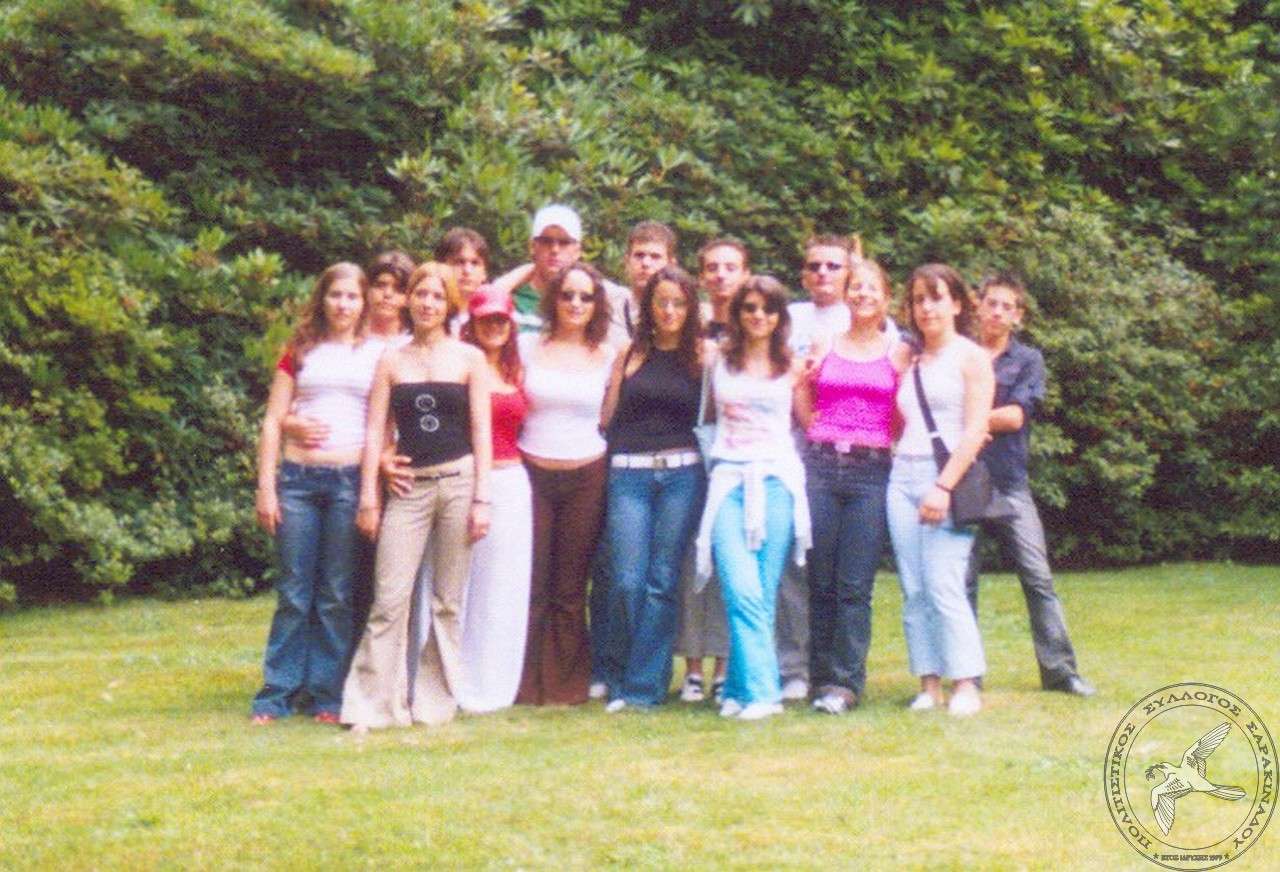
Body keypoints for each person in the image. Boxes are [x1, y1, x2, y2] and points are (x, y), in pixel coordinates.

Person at [341, 262, 492, 730]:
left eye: (437, 296)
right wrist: (369, 495)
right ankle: (373, 705)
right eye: (421, 294)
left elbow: (481, 431)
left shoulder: (470, 359)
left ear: (450, 303)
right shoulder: (392, 360)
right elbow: (375, 430)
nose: (428, 303)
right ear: (409, 299)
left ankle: (434, 703)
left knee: (447, 603)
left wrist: (482, 499)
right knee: (389, 600)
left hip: (458, 482)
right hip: (408, 489)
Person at [251, 262, 379, 725]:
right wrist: (266, 487)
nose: (343, 304)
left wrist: (370, 490)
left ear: (363, 303)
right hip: (298, 482)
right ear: (322, 298)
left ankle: (326, 694)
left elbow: (378, 424)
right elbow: (272, 419)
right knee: (294, 592)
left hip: (347, 480)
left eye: (352, 296)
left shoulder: (376, 354)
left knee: (336, 594)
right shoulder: (300, 349)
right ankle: (276, 694)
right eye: (335, 295)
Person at [966, 274, 1095, 697]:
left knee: (1038, 578)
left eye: (1007, 306)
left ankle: (1061, 672)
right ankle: (966, 674)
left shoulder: (1028, 360)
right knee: (962, 582)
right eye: (991, 303)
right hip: (963, 478)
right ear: (978, 306)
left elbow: (1015, 417)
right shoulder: (960, 353)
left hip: (1009, 483)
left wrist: (966, 421)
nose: (997, 312)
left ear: (1018, 316)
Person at [795, 259, 911, 714]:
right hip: (823, 466)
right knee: (820, 578)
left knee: (854, 583)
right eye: (856, 287)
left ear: (886, 297)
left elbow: (902, 411)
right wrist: (818, 430)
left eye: (872, 288)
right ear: (846, 295)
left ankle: (845, 682)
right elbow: (802, 390)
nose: (863, 294)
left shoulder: (897, 351)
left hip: (870, 471)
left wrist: (880, 439)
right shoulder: (826, 343)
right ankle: (819, 676)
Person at [694, 277, 812, 721]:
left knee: (761, 590)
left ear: (780, 316)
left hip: (777, 480)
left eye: (767, 309)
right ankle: (764, 693)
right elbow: (706, 417)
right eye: (749, 308)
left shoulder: (793, 366)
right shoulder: (717, 361)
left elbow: (808, 422)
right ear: (738, 314)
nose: (758, 316)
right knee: (739, 586)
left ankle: (741, 688)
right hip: (728, 478)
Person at [597, 266, 706, 711]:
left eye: (679, 303)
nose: (670, 311)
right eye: (662, 302)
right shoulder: (630, 352)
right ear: (649, 306)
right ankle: (618, 674)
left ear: (691, 308)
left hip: (681, 474)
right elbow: (607, 418)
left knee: (662, 582)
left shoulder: (702, 356)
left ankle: (643, 687)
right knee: (627, 580)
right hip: (629, 473)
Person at [887, 263, 994, 717]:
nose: (926, 307)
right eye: (918, 300)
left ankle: (965, 683)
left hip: (946, 478)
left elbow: (975, 430)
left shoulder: (971, 357)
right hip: (901, 478)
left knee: (944, 583)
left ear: (956, 304)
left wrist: (943, 486)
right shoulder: (909, 360)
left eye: (936, 297)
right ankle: (928, 684)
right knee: (914, 587)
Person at [516, 263, 616, 705]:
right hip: (531, 472)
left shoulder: (609, 354)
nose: (576, 304)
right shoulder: (526, 346)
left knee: (571, 586)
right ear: (552, 299)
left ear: (597, 305)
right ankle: (522, 682)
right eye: (567, 294)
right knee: (531, 580)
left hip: (586, 474)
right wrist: (529, 266)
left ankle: (565, 684)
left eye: (586, 296)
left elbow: (608, 416)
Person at [673, 238, 751, 703]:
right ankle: (692, 668)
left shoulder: (754, 326)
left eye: (730, 267)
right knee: (690, 559)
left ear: (745, 273)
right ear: (701, 276)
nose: (721, 275)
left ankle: (725, 663)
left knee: (729, 558)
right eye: (713, 268)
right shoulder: (689, 326)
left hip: (738, 456)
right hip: (690, 453)